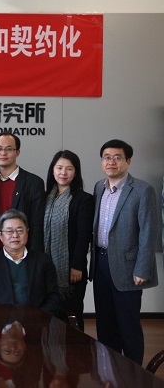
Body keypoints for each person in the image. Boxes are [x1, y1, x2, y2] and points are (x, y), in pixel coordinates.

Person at [90, 139, 159, 365]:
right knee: (105, 323)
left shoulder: (142, 190)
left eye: (117, 157)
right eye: (106, 157)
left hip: (129, 268)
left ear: (128, 161)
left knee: (128, 326)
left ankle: (133, 374)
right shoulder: (99, 187)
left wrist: (142, 268)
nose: (111, 162)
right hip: (100, 264)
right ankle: (109, 371)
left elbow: (149, 231)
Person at [0, 209, 64, 319]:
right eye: (9, 231)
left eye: (20, 230)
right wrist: (4, 318)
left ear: (27, 232)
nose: (15, 235)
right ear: (0, 235)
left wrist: (38, 317)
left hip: (36, 321)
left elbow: (54, 296)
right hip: (1, 323)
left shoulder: (43, 261)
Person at [44, 150, 94, 330]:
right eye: (59, 168)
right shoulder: (45, 198)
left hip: (71, 270)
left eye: (69, 168)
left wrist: (77, 265)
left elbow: (84, 235)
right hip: (46, 269)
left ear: (76, 172)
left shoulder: (84, 199)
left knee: (72, 317)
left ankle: (75, 348)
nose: (63, 172)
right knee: (47, 317)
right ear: (52, 170)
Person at [0, 133, 45, 254]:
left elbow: (36, 224)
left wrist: (35, 256)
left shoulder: (34, 183)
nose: (3, 153)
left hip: (21, 253)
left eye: (9, 149)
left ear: (17, 152)